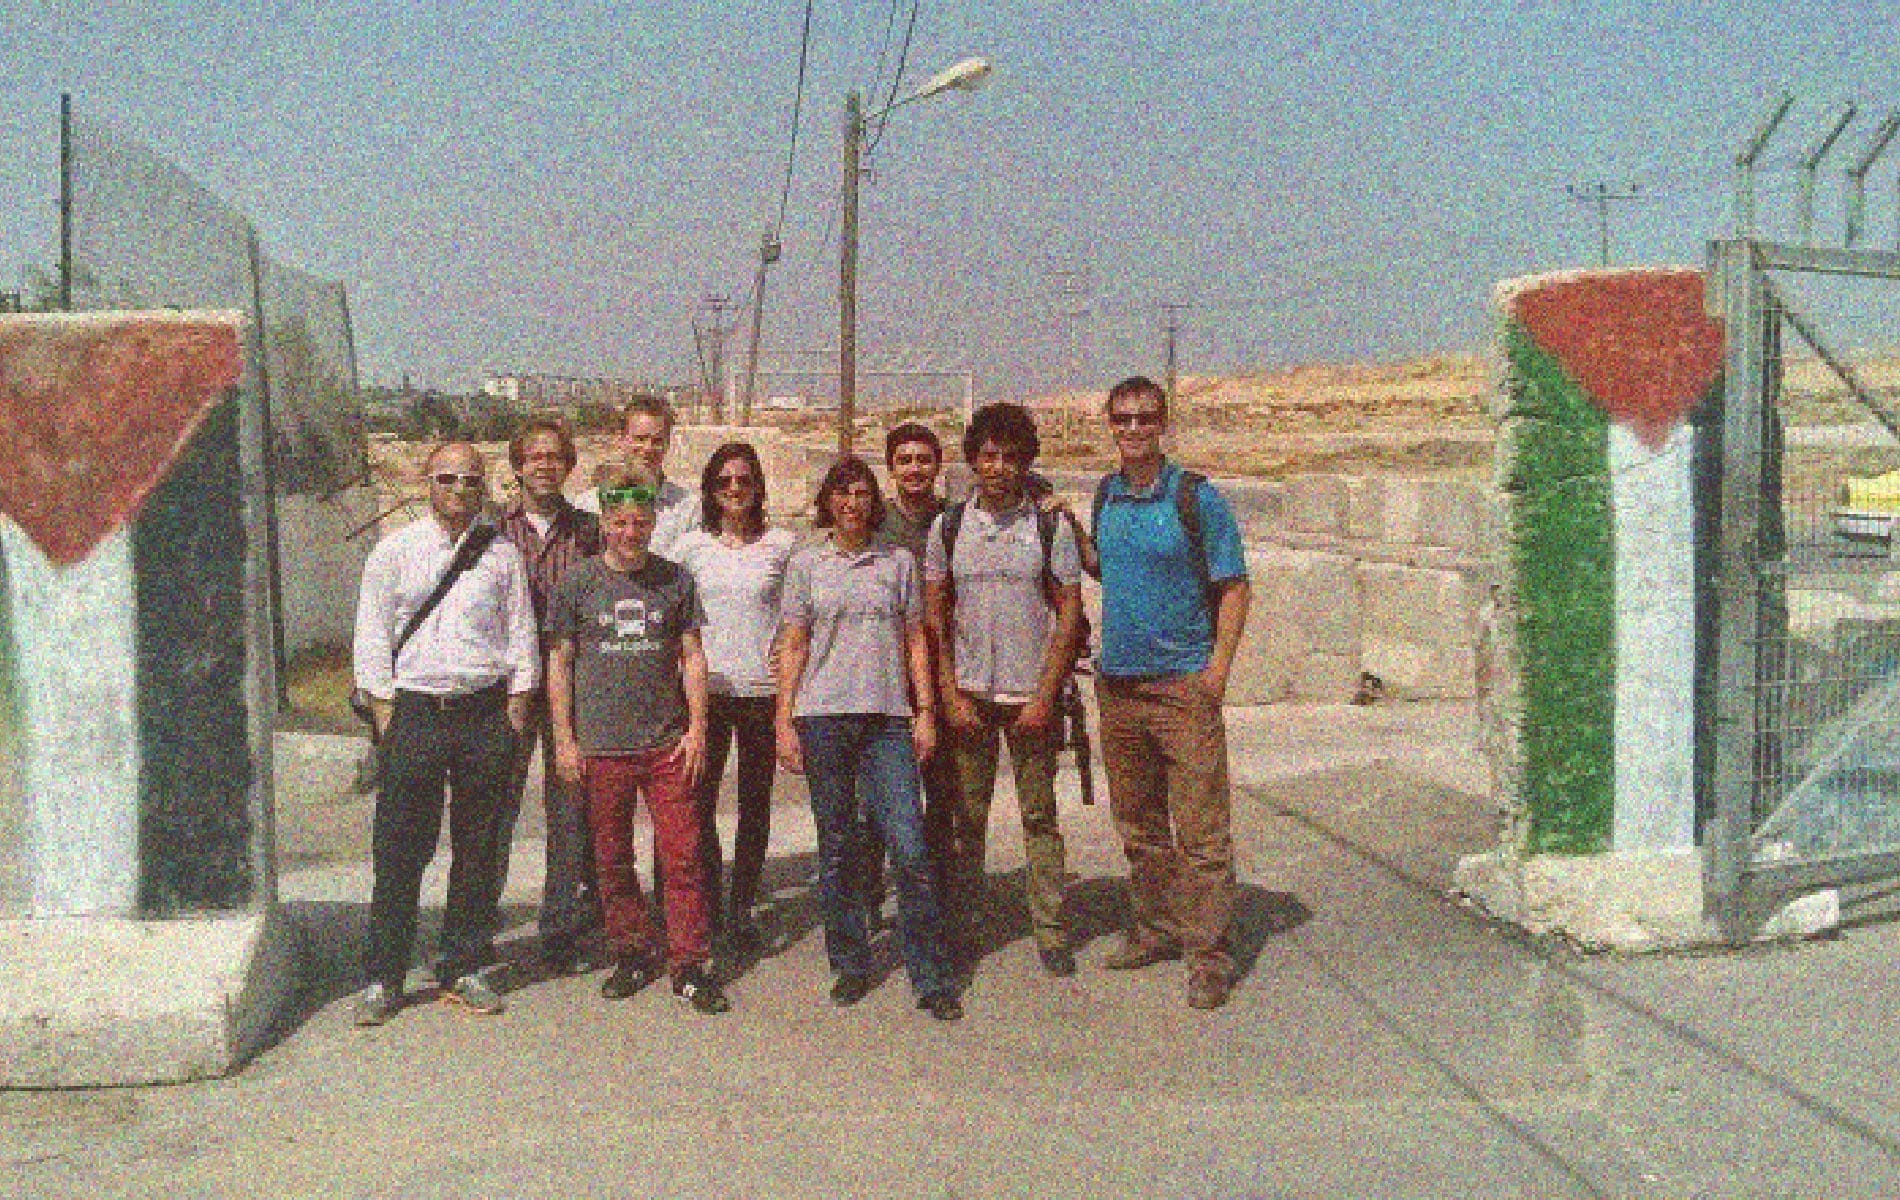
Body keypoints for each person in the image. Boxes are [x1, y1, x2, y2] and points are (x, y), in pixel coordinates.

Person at [350, 442, 539, 1026]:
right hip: (415, 713)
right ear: (428, 483)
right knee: (401, 848)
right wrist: (385, 712)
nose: (459, 489)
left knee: (479, 846)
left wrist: (515, 707)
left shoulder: (502, 555)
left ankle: (463, 965)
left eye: (471, 480)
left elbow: (522, 636)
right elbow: (370, 635)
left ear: (485, 487)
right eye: (447, 478)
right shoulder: (394, 552)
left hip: (484, 714)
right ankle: (386, 974)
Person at [776, 456, 963, 1021]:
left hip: (887, 720)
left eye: (861, 493)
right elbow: (796, 643)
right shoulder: (808, 565)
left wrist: (924, 711)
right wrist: (784, 719)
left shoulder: (898, 562)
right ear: (828, 502)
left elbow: (914, 642)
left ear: (872, 502)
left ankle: (930, 975)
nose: (852, 503)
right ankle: (851, 964)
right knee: (838, 849)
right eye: (842, 493)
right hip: (824, 716)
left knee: (909, 845)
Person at [1088, 375, 1252, 1011]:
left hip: (1182, 688)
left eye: (1144, 418)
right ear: (1110, 423)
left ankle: (1209, 955)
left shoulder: (1196, 497)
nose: (1133, 429)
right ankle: (1157, 928)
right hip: (1120, 686)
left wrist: (1215, 676)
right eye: (1122, 419)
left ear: (1162, 423)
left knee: (1203, 832)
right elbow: (1107, 566)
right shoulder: (1105, 494)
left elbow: (1234, 586)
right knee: (1140, 827)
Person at [547, 463, 729, 1014]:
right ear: (605, 522)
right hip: (602, 746)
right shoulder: (578, 582)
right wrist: (564, 739)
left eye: (641, 522)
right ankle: (631, 950)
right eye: (621, 521)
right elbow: (560, 662)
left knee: (683, 856)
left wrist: (697, 730)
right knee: (611, 857)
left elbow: (693, 656)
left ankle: (690, 962)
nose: (631, 533)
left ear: (653, 523)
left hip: (666, 744)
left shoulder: (674, 579)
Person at [924, 403, 1085, 976]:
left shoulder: (1050, 527)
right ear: (971, 460)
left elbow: (1068, 615)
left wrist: (1045, 695)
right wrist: (948, 693)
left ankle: (1051, 929)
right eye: (987, 456)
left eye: (1010, 456)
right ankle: (967, 924)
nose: (998, 467)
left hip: (1030, 697)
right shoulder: (949, 527)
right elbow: (935, 614)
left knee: (1039, 817)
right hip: (969, 696)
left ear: (1025, 462)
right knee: (968, 819)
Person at [671, 443, 797, 958]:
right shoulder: (691, 548)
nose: (735, 490)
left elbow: (799, 614)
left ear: (758, 486)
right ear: (711, 490)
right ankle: (707, 902)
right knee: (698, 803)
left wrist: (785, 653)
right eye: (724, 482)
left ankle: (742, 902)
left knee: (755, 804)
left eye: (743, 480)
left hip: (762, 695)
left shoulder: (783, 546)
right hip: (708, 694)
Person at [493, 416, 603, 976]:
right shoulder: (491, 527)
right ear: (516, 466)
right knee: (496, 806)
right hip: (506, 686)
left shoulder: (589, 531)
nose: (544, 465)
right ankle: (479, 920)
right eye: (533, 456)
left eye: (554, 456)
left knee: (568, 810)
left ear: (569, 465)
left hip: (571, 683)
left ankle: (560, 923)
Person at [579, 393, 699, 556]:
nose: (648, 448)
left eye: (657, 441)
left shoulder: (688, 508)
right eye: (640, 439)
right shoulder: (589, 504)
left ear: (668, 443)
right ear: (621, 439)